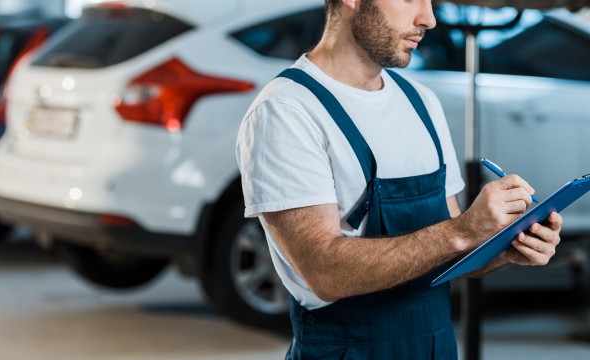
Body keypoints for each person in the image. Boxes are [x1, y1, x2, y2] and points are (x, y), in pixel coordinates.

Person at [235, 0, 563, 358]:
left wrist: (504, 248)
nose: (429, 19)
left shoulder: (421, 103)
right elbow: (323, 272)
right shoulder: (286, 111)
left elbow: (445, 248)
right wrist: (465, 230)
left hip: (436, 345)